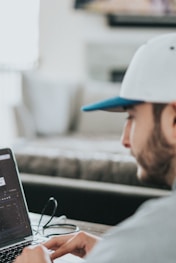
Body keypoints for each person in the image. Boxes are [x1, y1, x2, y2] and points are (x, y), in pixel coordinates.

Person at [14, 33, 176, 263]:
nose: (125, 140)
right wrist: (118, 253)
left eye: (133, 117)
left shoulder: (159, 228)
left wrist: (125, 250)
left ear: (173, 120)